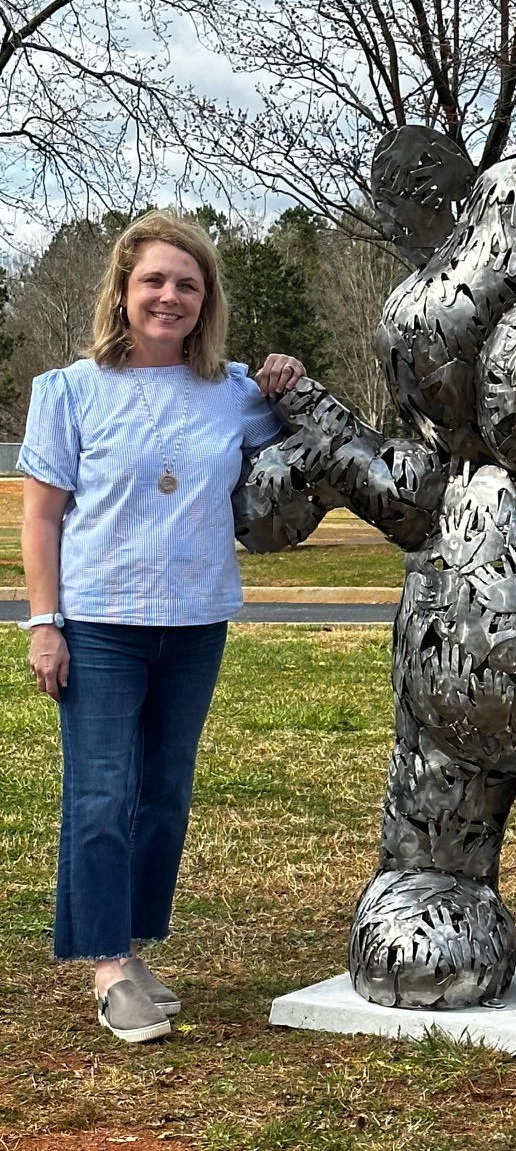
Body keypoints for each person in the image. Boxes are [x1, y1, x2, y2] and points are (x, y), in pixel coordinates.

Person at [19, 212, 304, 1043]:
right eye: (153, 280)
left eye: (187, 283)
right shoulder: (68, 391)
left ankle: (133, 945)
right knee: (102, 794)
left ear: (205, 298)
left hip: (194, 620)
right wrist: (46, 622)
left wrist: (288, 380)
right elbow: (41, 519)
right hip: (99, 622)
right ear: (123, 289)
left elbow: (298, 447)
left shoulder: (235, 393)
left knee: (165, 796)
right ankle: (106, 966)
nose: (169, 296)